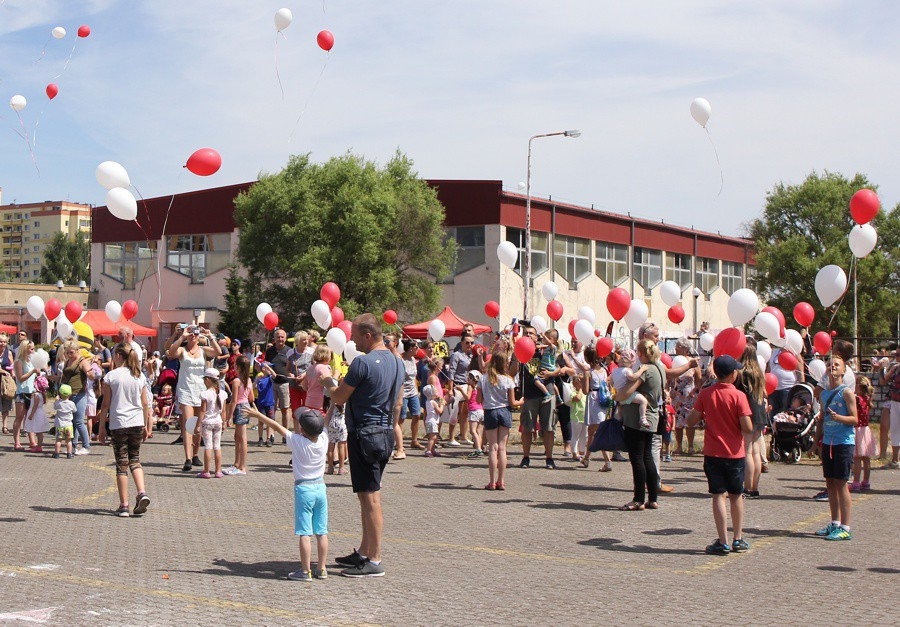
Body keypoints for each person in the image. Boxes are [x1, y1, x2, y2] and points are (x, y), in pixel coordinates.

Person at [324, 313, 403, 578]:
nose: (351, 339)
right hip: (384, 432)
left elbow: (339, 397)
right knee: (368, 494)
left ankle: (375, 559)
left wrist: (326, 381)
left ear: (368, 335)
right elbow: (399, 400)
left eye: (355, 335)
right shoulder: (397, 362)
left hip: (365, 434)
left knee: (370, 499)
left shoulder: (362, 363)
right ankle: (364, 550)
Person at [247, 406, 330, 581]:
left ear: (302, 429)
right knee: (321, 531)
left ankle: (305, 571)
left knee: (305, 533)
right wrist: (333, 407)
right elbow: (327, 420)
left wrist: (258, 415)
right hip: (321, 488)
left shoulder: (297, 441)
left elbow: (277, 426)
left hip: (304, 489)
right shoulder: (324, 438)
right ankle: (322, 569)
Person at [686, 356, 753, 555]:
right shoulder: (739, 395)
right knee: (736, 495)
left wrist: (706, 414)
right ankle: (738, 538)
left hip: (713, 453)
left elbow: (691, 420)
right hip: (735, 453)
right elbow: (747, 427)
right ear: (732, 374)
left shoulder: (707, 394)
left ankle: (722, 541)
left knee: (718, 495)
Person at [97, 345, 152, 518]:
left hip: (119, 423)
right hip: (136, 422)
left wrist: (101, 429)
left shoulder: (111, 376)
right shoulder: (139, 375)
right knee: (135, 460)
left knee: (122, 464)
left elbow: (105, 404)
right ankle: (142, 492)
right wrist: (145, 425)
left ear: (119, 355)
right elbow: (145, 403)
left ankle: (124, 505)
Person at [615, 340, 664, 511]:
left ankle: (638, 499)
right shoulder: (660, 368)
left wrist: (618, 396)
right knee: (647, 457)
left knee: (637, 459)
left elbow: (627, 391)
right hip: (652, 417)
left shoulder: (645, 370)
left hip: (637, 420)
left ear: (642, 354)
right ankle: (653, 498)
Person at [166, 325, 223, 472]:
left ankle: (196, 453)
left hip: (200, 390)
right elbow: (171, 352)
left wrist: (210, 336)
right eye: (191, 334)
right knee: (188, 424)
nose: (193, 336)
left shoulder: (203, 350)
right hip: (185, 389)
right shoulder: (182, 350)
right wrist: (182, 336)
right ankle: (188, 458)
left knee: (199, 423)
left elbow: (218, 352)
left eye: (195, 334)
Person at [814, 355, 858, 541]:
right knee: (830, 483)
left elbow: (855, 419)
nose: (832, 367)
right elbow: (823, 417)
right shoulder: (824, 394)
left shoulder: (847, 393)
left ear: (843, 371)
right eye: (829, 365)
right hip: (828, 442)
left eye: (836, 365)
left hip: (843, 443)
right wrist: (816, 440)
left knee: (841, 484)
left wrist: (838, 418)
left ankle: (846, 527)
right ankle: (834, 523)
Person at [477, 350, 522, 490]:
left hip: (490, 411)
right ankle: (501, 481)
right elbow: (512, 402)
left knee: (492, 447)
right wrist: (522, 401)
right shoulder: (508, 379)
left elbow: (479, 399)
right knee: (502, 448)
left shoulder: (483, 379)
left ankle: (491, 481)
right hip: (504, 411)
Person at [516, 325, 558, 469]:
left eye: (531, 333)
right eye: (525, 333)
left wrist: (551, 374)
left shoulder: (545, 350)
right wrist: (516, 359)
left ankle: (549, 458)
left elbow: (564, 368)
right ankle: (526, 457)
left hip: (548, 392)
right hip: (530, 394)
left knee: (548, 427)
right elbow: (511, 372)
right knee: (527, 427)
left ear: (536, 337)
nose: (528, 335)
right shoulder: (521, 351)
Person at [736, 344, 767, 499]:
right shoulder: (758, 373)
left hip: (748, 414)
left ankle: (747, 487)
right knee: (755, 451)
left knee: (747, 450)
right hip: (760, 413)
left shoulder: (742, 373)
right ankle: (754, 487)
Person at [57, 340, 98, 456]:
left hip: (79, 394)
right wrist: (52, 378)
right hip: (67, 395)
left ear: (76, 351)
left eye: (71, 352)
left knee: (79, 421)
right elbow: (63, 377)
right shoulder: (67, 361)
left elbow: (91, 374)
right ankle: (73, 446)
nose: (69, 355)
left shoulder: (82, 361)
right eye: (67, 353)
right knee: (71, 422)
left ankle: (86, 446)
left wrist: (91, 373)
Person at [580, 346, 612, 471]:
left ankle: (607, 461)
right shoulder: (604, 371)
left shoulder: (588, 372)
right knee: (592, 431)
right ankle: (586, 457)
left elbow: (584, 390)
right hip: (602, 400)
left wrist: (581, 380)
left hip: (593, 399)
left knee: (597, 432)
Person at [224, 356, 255, 475]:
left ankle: (242, 466)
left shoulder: (237, 381)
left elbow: (234, 401)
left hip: (240, 407)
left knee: (242, 438)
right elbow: (251, 398)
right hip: (246, 406)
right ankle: (236, 463)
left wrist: (229, 417)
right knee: (237, 437)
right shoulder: (249, 380)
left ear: (238, 367)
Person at [672, 338, 702, 456]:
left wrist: (695, 390)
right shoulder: (675, 361)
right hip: (677, 395)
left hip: (689, 395)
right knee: (678, 421)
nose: (676, 348)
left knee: (690, 422)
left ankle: (690, 446)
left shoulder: (693, 362)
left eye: (678, 346)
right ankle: (679, 446)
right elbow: (670, 376)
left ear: (685, 349)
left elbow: (699, 379)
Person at [196, 368, 227, 478]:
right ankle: (218, 471)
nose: (204, 381)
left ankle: (206, 471)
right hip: (218, 422)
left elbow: (202, 410)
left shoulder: (205, 394)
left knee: (208, 446)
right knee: (217, 446)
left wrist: (198, 424)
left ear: (208, 379)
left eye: (205, 379)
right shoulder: (222, 394)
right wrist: (224, 423)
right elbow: (223, 411)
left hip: (207, 423)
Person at [264, 329, 295, 437]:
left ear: (285, 338)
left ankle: (285, 435)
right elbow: (266, 365)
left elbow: (293, 367)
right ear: (274, 338)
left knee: (285, 409)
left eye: (282, 337)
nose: (280, 339)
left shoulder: (290, 351)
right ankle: (270, 435)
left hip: (285, 384)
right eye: (278, 337)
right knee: (271, 409)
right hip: (271, 384)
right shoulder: (270, 351)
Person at [612, 349, 650, 429]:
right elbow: (633, 377)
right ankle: (642, 418)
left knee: (620, 415)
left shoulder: (614, 371)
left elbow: (612, 382)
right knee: (643, 401)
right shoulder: (627, 370)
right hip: (628, 395)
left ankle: (620, 422)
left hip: (619, 397)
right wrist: (641, 370)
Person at [448, 334, 475, 446]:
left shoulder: (470, 356)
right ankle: (451, 438)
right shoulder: (456, 355)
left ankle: (464, 436)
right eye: (467, 342)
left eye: (472, 343)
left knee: (465, 412)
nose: (470, 345)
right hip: (457, 385)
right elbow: (451, 372)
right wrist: (450, 388)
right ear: (462, 342)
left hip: (467, 385)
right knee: (455, 413)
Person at [395, 339, 420, 460]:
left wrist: (417, 390)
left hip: (413, 392)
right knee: (402, 417)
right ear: (410, 348)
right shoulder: (401, 359)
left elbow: (414, 377)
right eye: (416, 346)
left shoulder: (413, 360)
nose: (417, 348)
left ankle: (414, 440)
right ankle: (399, 443)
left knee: (417, 415)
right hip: (403, 392)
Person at [850, 376, 876, 492]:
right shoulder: (867, 399)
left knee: (856, 458)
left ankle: (855, 482)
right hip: (865, 430)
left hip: (857, 430)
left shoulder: (856, 399)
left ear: (859, 386)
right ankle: (866, 481)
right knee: (866, 458)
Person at [12, 341, 38, 451]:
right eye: (31, 349)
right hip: (21, 393)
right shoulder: (19, 362)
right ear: (25, 349)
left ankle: (32, 441)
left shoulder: (32, 362)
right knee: (19, 417)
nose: (33, 351)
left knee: (30, 417)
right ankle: (17, 442)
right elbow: (20, 378)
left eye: (33, 348)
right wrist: (32, 372)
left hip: (31, 392)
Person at [879, 348, 900, 468]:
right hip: (895, 401)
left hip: (895, 400)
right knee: (895, 430)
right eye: (896, 354)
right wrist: (882, 369)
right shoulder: (895, 367)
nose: (897, 356)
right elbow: (884, 380)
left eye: (899, 354)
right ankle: (895, 460)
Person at [24, 374, 50, 452]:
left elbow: (35, 406)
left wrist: (31, 414)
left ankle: (38, 446)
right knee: (40, 432)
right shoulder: (42, 394)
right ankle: (39, 445)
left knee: (36, 430)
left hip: (36, 414)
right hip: (41, 413)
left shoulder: (36, 395)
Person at [532, 329, 560, 400]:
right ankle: (559, 398)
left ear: (555, 340)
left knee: (536, 380)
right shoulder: (547, 347)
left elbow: (550, 344)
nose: (545, 339)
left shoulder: (553, 348)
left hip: (548, 368)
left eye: (549, 338)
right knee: (553, 384)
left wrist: (543, 336)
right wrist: (539, 346)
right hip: (547, 368)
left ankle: (547, 394)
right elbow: (546, 345)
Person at [53, 384, 76, 459]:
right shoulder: (71, 403)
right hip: (68, 425)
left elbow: (54, 407)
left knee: (58, 440)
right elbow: (75, 410)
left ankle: (56, 453)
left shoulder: (58, 403)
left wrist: (56, 400)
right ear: (70, 394)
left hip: (59, 425)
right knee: (69, 441)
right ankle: (69, 454)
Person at [465, 370, 484, 458]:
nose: (468, 379)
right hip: (481, 410)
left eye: (469, 377)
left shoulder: (470, 387)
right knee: (478, 431)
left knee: (472, 431)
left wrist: (461, 390)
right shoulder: (480, 387)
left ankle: (479, 449)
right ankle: (480, 447)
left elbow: (468, 398)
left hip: (474, 410)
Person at [325, 399, 348, 475]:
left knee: (331, 445)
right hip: (341, 422)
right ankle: (341, 468)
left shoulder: (333, 397)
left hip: (332, 422)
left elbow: (329, 410)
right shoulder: (345, 399)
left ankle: (330, 467)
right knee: (341, 446)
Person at [0, 332, 16, 435]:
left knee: (6, 404)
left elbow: (12, 365)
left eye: (4, 342)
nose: (2, 344)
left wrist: (13, 377)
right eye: (1, 341)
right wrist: (3, 371)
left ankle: (5, 426)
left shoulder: (8, 352)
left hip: (5, 381)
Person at [255, 369, 276, 447]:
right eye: (267, 368)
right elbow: (253, 386)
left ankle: (268, 438)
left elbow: (275, 375)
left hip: (269, 403)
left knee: (270, 422)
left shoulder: (270, 378)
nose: (270, 370)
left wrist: (269, 368)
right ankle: (260, 438)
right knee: (261, 422)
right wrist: (257, 380)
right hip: (261, 403)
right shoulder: (259, 378)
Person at [422, 385, 444, 458]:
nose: (437, 392)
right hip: (432, 422)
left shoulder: (428, 401)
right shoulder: (433, 402)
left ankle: (432, 450)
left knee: (435, 437)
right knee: (433, 437)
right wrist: (442, 405)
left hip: (430, 421)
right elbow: (440, 411)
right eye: (435, 391)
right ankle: (428, 450)